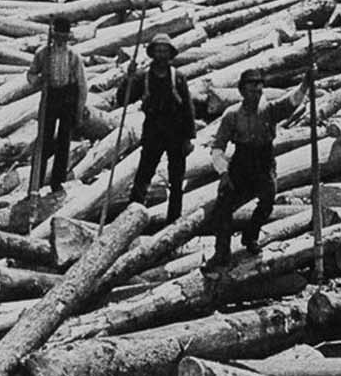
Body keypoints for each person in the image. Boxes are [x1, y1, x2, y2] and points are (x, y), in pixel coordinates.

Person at [208, 67, 310, 274]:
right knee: (223, 209)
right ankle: (221, 254)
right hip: (241, 163)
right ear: (242, 91)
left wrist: (306, 83)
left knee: (267, 201)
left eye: (259, 90)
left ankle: (251, 235)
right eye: (251, 90)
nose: (256, 94)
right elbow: (218, 148)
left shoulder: (269, 110)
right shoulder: (232, 115)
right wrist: (224, 173)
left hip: (263, 161)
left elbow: (293, 101)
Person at [125, 32, 195, 224]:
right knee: (143, 175)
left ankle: (174, 219)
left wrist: (189, 137)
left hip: (176, 132)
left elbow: (188, 108)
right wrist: (128, 77)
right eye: (158, 50)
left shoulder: (178, 77)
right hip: (153, 130)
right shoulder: (143, 77)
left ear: (170, 54)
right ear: (153, 53)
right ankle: (131, 215)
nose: (162, 54)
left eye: (165, 51)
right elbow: (124, 97)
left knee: (176, 179)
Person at [26, 15, 88, 194]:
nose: (60, 40)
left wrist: (79, 109)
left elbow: (82, 84)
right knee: (44, 140)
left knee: (63, 142)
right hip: (49, 98)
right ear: (53, 37)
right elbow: (30, 75)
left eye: (63, 37)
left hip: (67, 98)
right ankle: (35, 183)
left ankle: (57, 183)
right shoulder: (43, 53)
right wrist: (39, 80)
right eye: (57, 37)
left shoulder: (73, 56)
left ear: (67, 38)